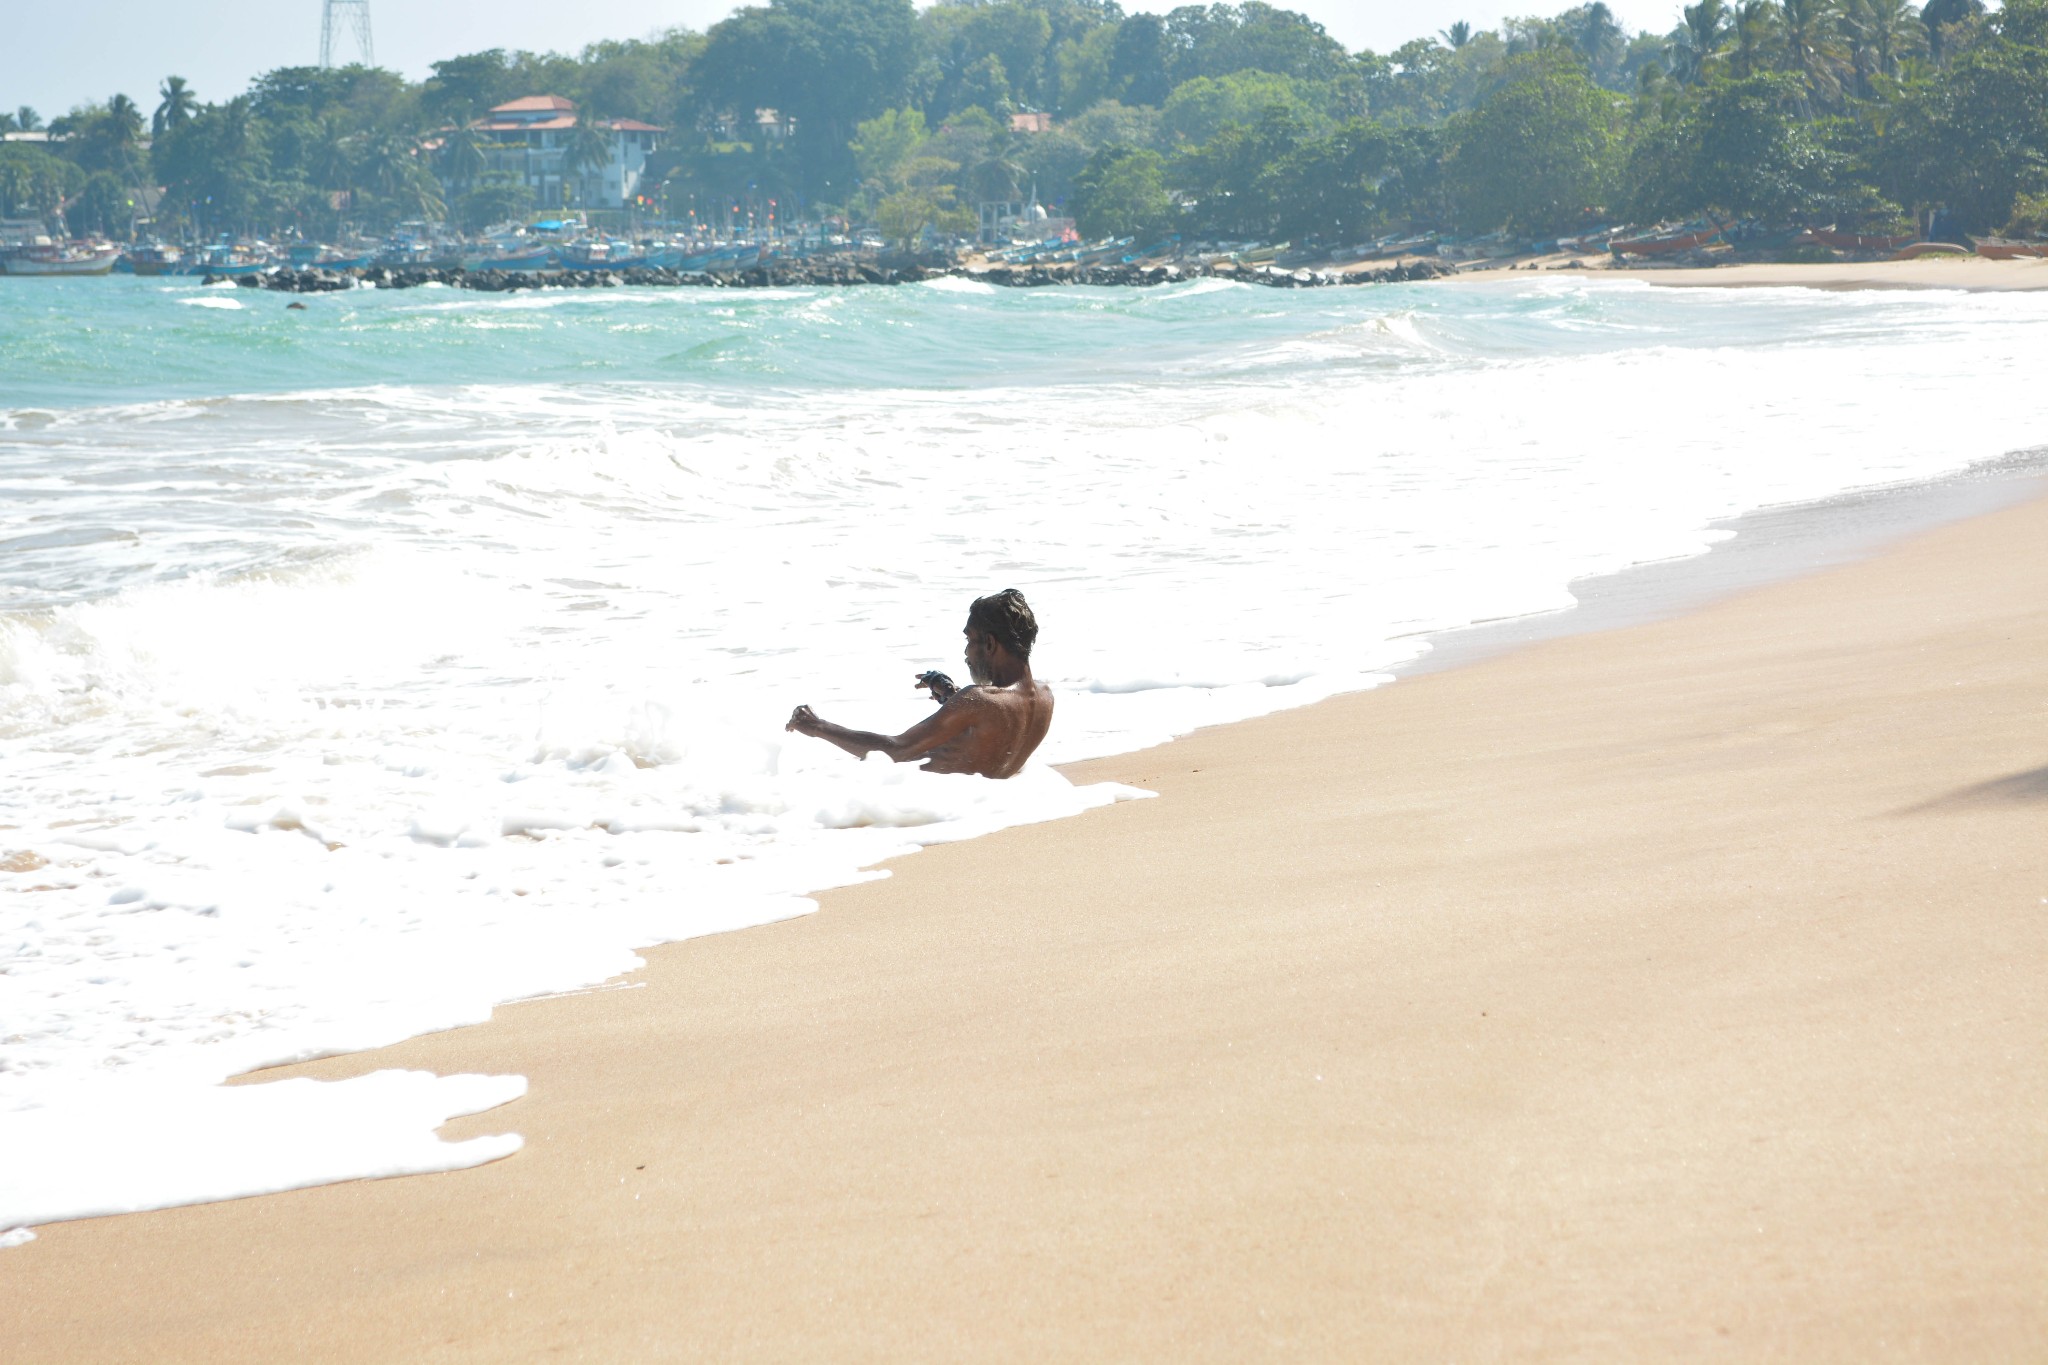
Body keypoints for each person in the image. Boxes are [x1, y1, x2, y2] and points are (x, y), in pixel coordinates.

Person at [785, 589, 1053, 779]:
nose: (967, 653)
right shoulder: (1044, 698)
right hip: (986, 804)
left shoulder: (980, 701)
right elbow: (991, 723)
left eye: (969, 640)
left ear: (991, 643)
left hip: (929, 805)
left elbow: (895, 750)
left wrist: (816, 726)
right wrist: (949, 694)